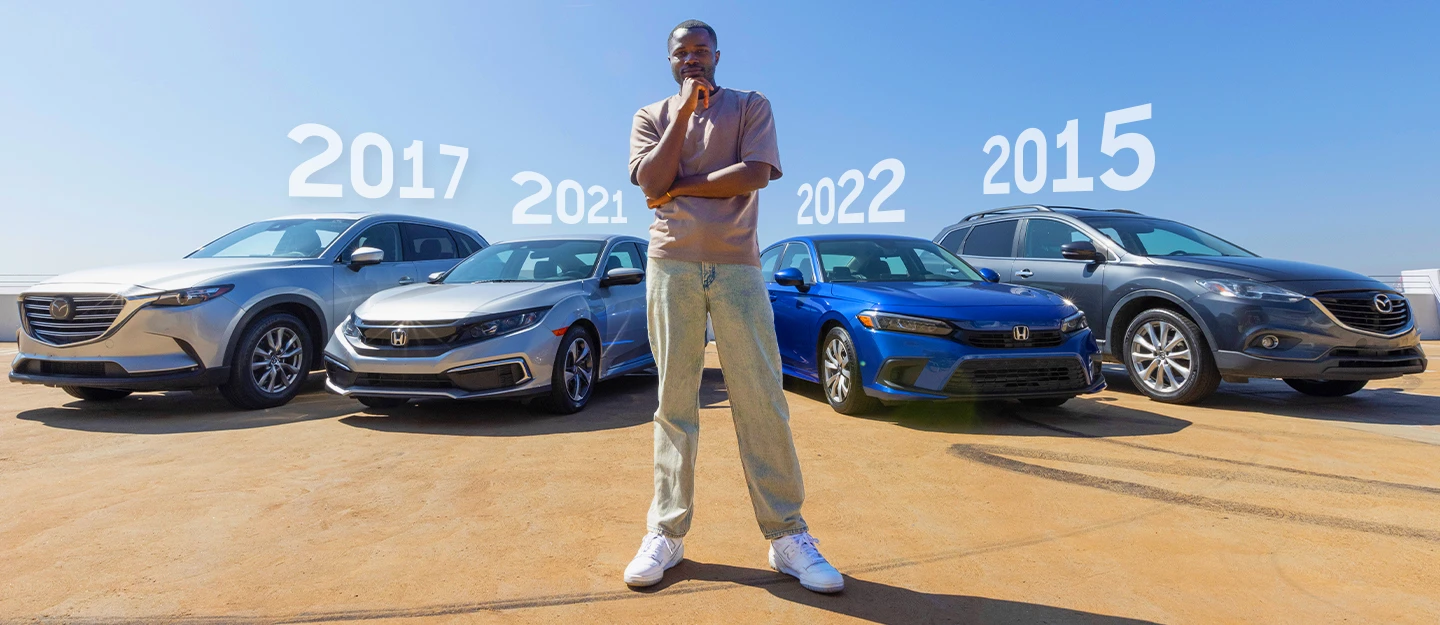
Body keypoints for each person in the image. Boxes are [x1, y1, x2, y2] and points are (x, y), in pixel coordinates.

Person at [622, 19, 843, 594]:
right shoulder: (651, 116)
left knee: (761, 397)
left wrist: (681, 187)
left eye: (700, 50)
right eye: (681, 52)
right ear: (670, 60)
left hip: (739, 266)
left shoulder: (750, 105)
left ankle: (787, 536)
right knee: (675, 401)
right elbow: (650, 181)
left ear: (717, 54)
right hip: (671, 262)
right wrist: (681, 120)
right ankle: (666, 533)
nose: (692, 58)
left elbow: (754, 174)